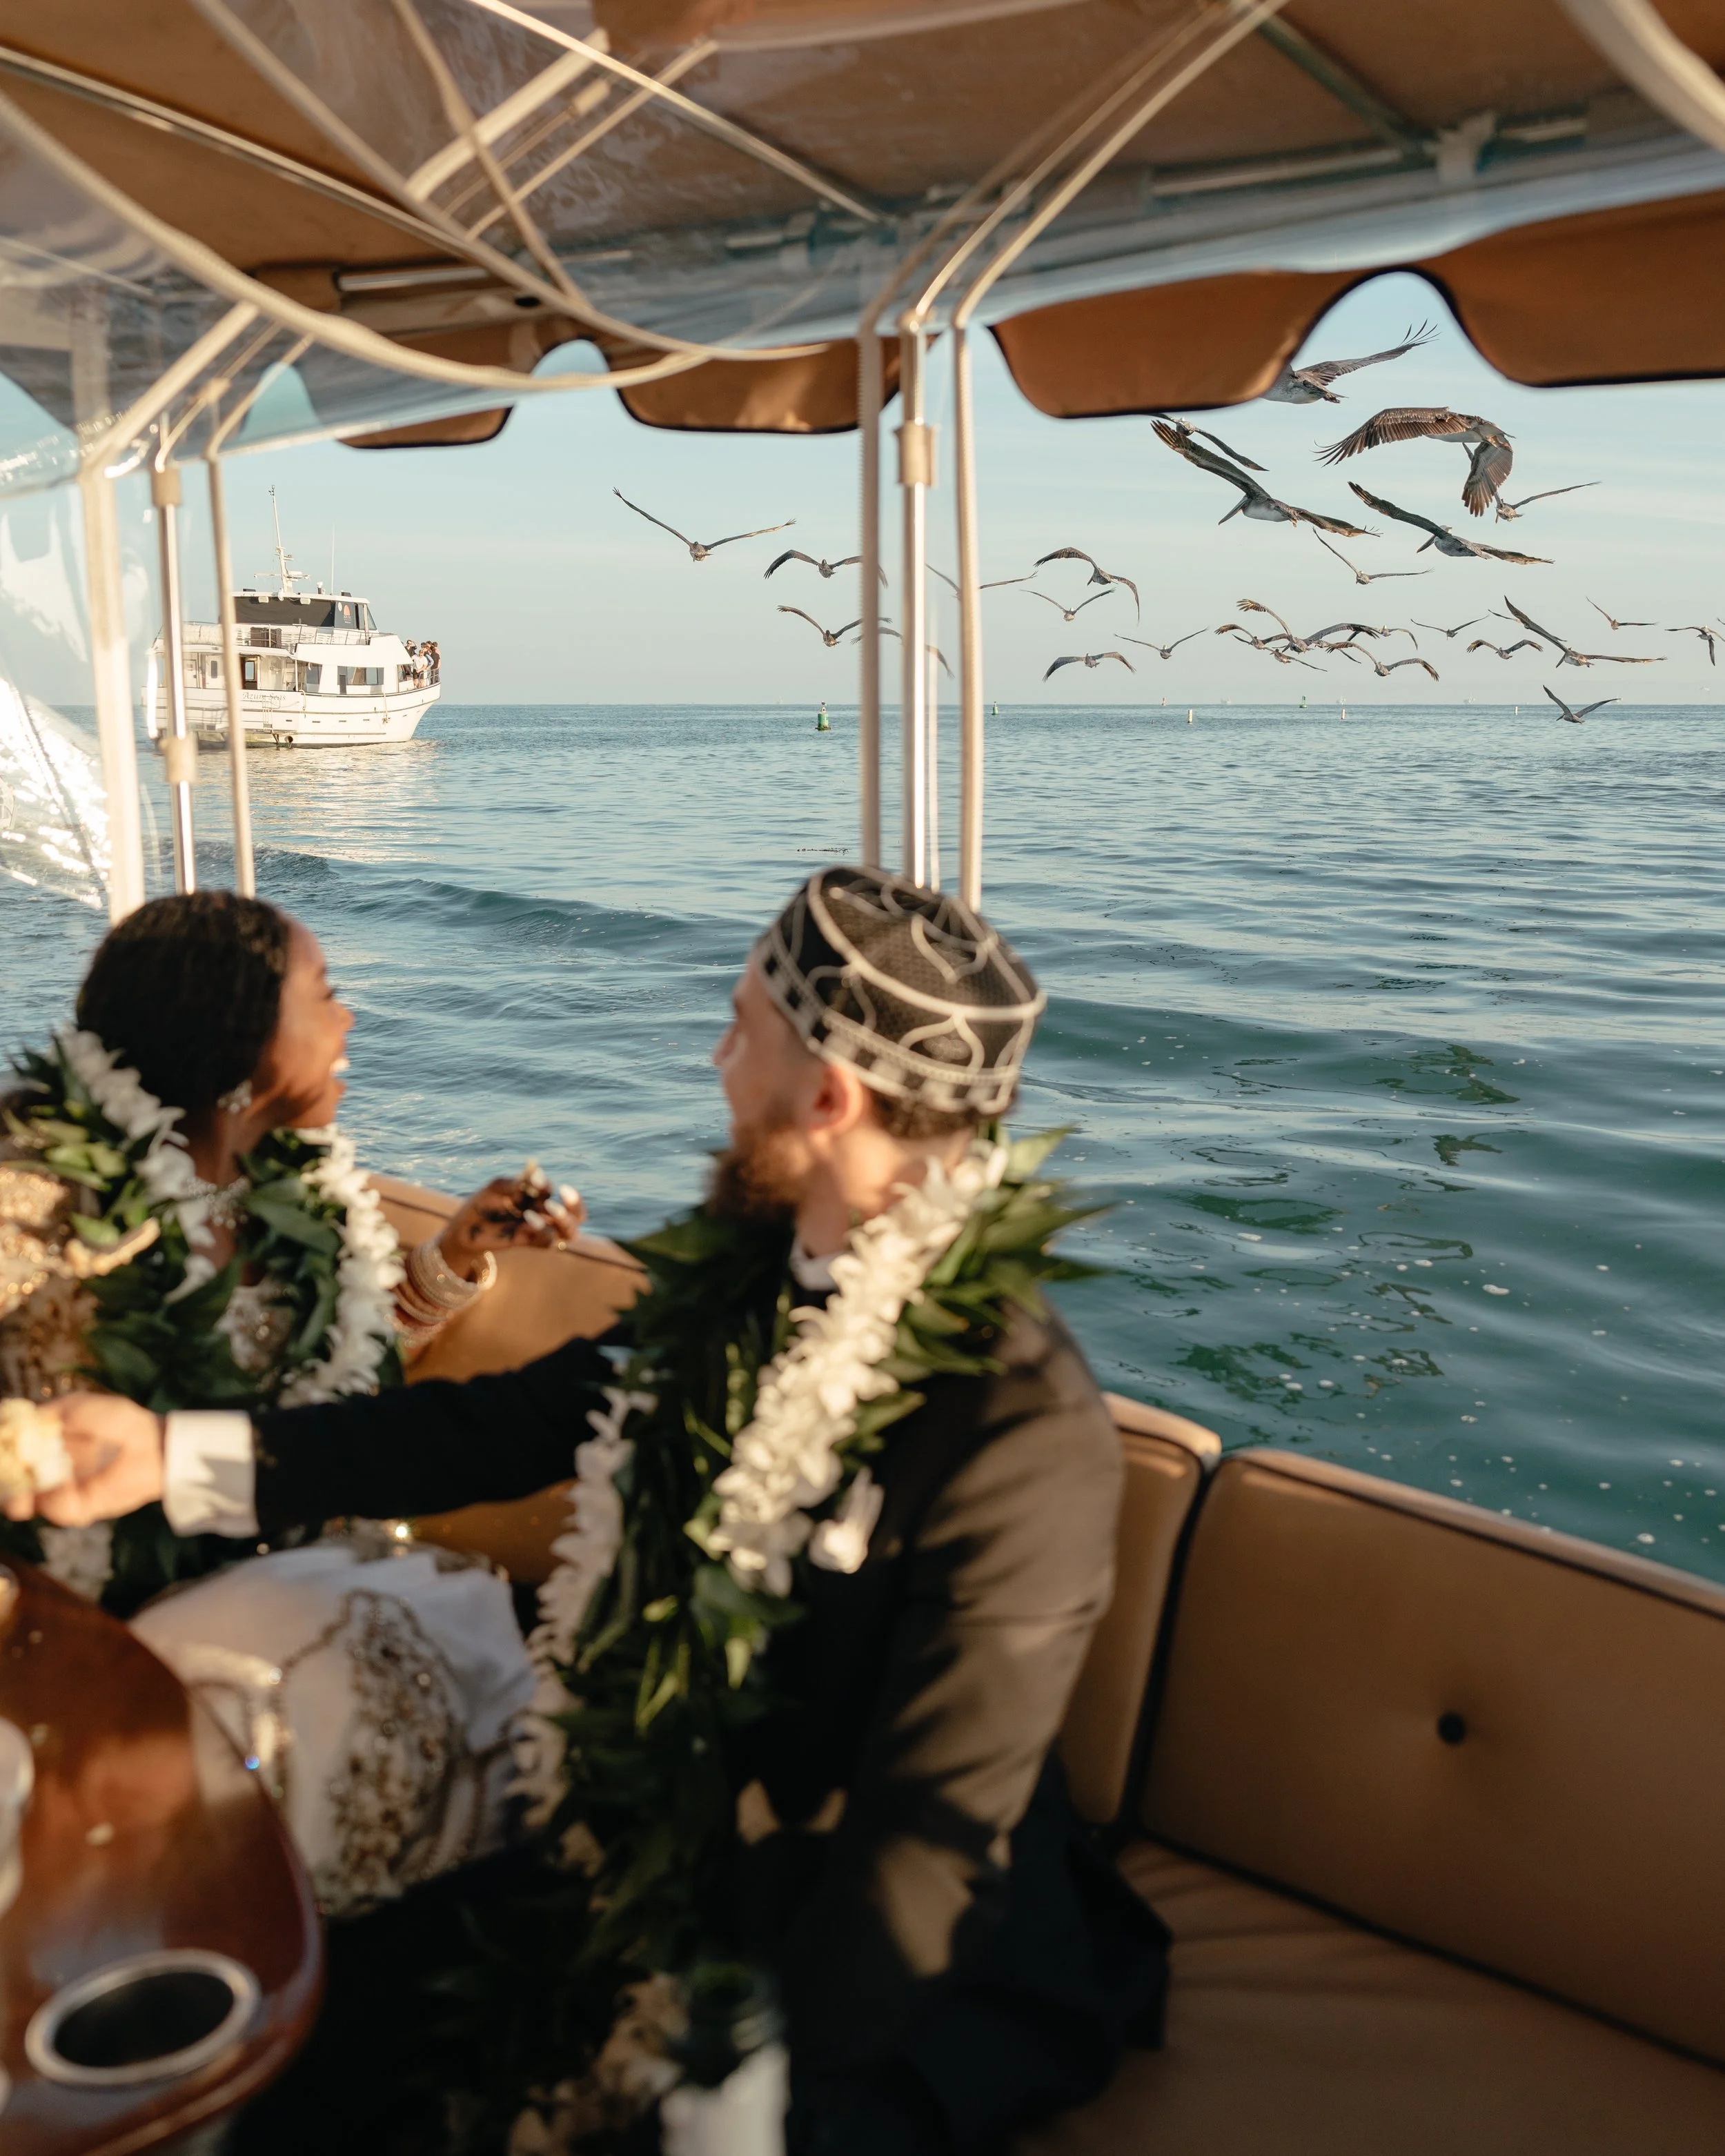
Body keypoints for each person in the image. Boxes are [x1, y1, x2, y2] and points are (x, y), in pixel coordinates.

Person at [26, 867, 1167, 2155]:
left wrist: (737, 2091)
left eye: (741, 1029)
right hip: (647, 1849)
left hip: (894, 1957)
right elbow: (481, 1432)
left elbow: (924, 1850)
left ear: (830, 1098)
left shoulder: (1019, 1430)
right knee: (285, 2074)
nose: (716, 1058)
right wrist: (168, 1456)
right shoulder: (736, 1291)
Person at [1, 889, 582, 1912]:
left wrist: (453, 1257)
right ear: (239, 1037)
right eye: (328, 994)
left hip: (300, 1564)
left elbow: (328, 1397)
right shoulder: (37, 1211)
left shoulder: (297, 1194)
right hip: (106, 1625)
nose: (351, 1020)